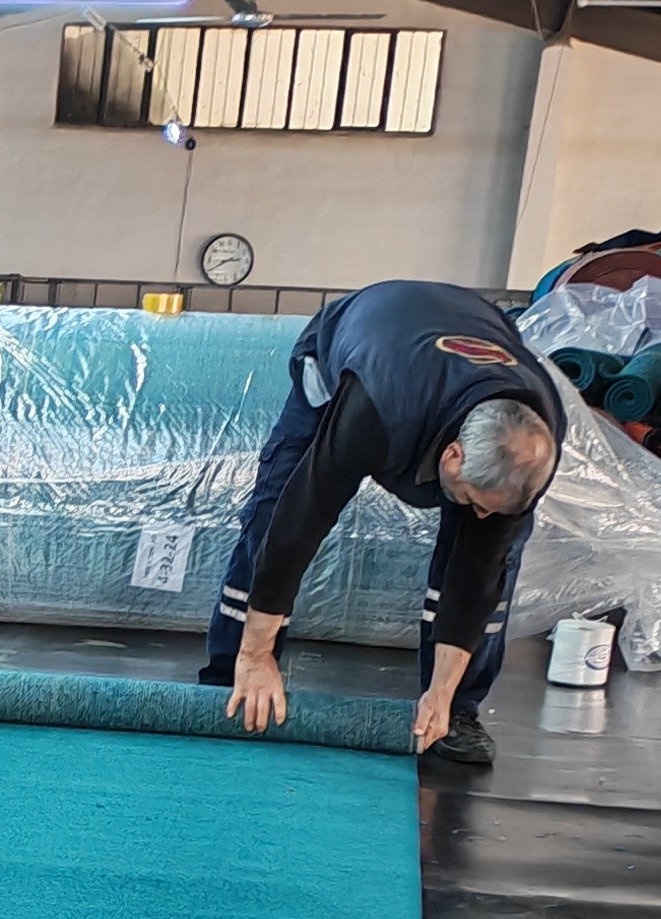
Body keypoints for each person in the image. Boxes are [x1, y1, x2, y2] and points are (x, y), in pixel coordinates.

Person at [203, 279, 560, 770]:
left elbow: (478, 573)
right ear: (453, 455)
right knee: (275, 510)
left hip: (456, 345)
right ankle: (234, 673)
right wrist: (256, 654)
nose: (479, 514)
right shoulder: (377, 410)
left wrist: (442, 693)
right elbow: (300, 521)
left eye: (489, 506)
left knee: (493, 554)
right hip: (362, 346)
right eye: (473, 500)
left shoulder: (533, 446)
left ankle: (453, 709)